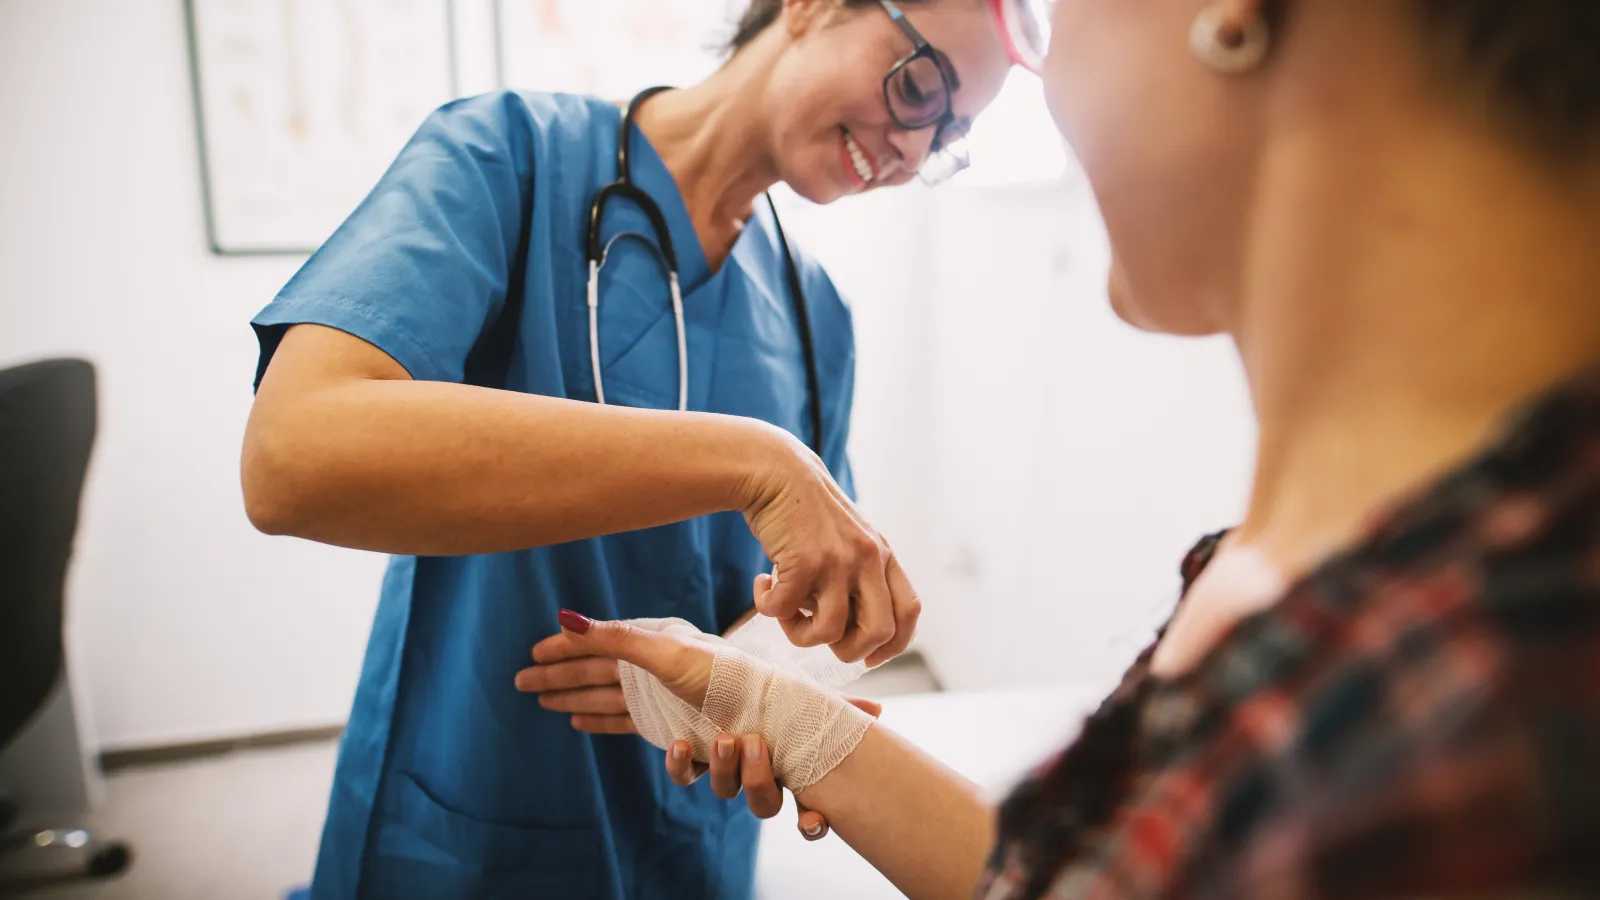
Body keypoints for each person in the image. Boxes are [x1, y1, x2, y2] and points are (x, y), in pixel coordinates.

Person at [522, 0, 1600, 896]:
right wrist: (782, 716)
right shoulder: (1321, 582)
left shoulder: (1484, 698)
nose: (1051, 64)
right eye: (920, 87)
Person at [240, 0, 1012, 896]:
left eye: (948, 138)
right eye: (922, 87)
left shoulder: (813, 311)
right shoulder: (507, 155)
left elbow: (800, 604)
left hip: (694, 822)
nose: (914, 152)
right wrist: (752, 461)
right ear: (810, 6)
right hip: (478, 805)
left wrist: (755, 678)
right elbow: (292, 456)